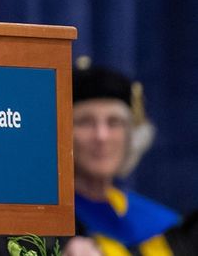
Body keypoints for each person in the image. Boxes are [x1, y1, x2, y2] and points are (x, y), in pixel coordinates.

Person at [62, 57, 180, 255]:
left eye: (114, 122)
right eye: (85, 122)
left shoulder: (159, 223)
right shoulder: (47, 225)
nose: (101, 136)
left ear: (131, 135)